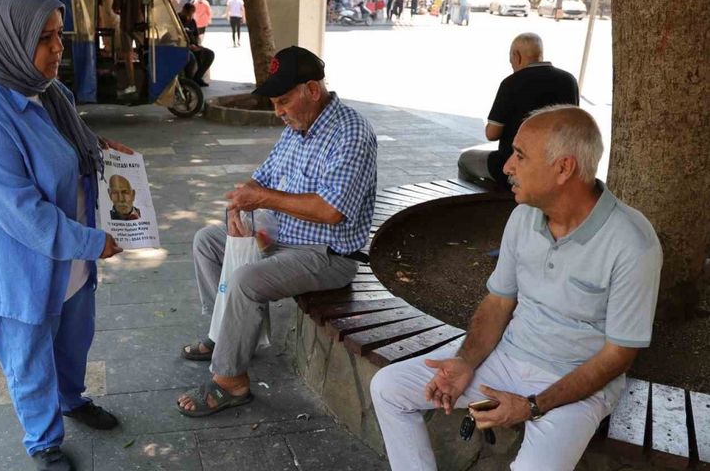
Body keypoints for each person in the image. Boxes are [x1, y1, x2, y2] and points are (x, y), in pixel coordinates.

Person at [371, 105, 662, 471]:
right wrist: (465, 362)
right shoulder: (524, 216)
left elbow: (617, 356)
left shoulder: (633, 243)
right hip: (507, 358)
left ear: (563, 168)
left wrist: (532, 406)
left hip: (577, 383)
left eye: (520, 156)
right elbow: (498, 302)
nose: (507, 166)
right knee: (389, 387)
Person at [0, 0, 135, 471]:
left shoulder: (47, 92)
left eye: (59, 35)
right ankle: (44, 442)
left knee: (73, 338)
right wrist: (94, 242)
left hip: (68, 256)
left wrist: (102, 148)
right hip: (21, 264)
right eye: (44, 38)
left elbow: (71, 144)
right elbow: (21, 211)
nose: (57, 49)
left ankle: (72, 398)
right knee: (28, 358)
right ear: (8, 36)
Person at [176, 46, 378, 417]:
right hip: (282, 237)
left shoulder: (351, 134)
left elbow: (331, 211)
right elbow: (263, 176)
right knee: (207, 241)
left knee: (246, 281)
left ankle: (231, 381)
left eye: (284, 101)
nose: (278, 112)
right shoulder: (298, 128)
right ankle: (224, 333)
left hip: (326, 255)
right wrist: (239, 203)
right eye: (274, 103)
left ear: (312, 90)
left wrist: (264, 198)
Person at [457, 33, 579, 189]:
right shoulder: (568, 80)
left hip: (514, 164)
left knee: (465, 160)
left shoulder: (511, 83)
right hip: (555, 166)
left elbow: (492, 134)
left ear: (516, 56)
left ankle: (485, 205)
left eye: (510, 59)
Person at [112, 0, 144, 95]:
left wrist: (123, 12)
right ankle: (145, 82)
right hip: (140, 24)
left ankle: (132, 84)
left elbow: (115, 8)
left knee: (128, 56)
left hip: (126, 25)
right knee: (144, 52)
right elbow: (147, 4)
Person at [179, 2, 214, 87]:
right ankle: (189, 80)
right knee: (193, 58)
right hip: (183, 47)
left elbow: (196, 35)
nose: (190, 16)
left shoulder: (192, 21)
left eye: (191, 14)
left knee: (210, 54)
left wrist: (198, 45)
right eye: (189, 13)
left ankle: (197, 78)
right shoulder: (178, 20)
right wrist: (188, 46)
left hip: (194, 46)